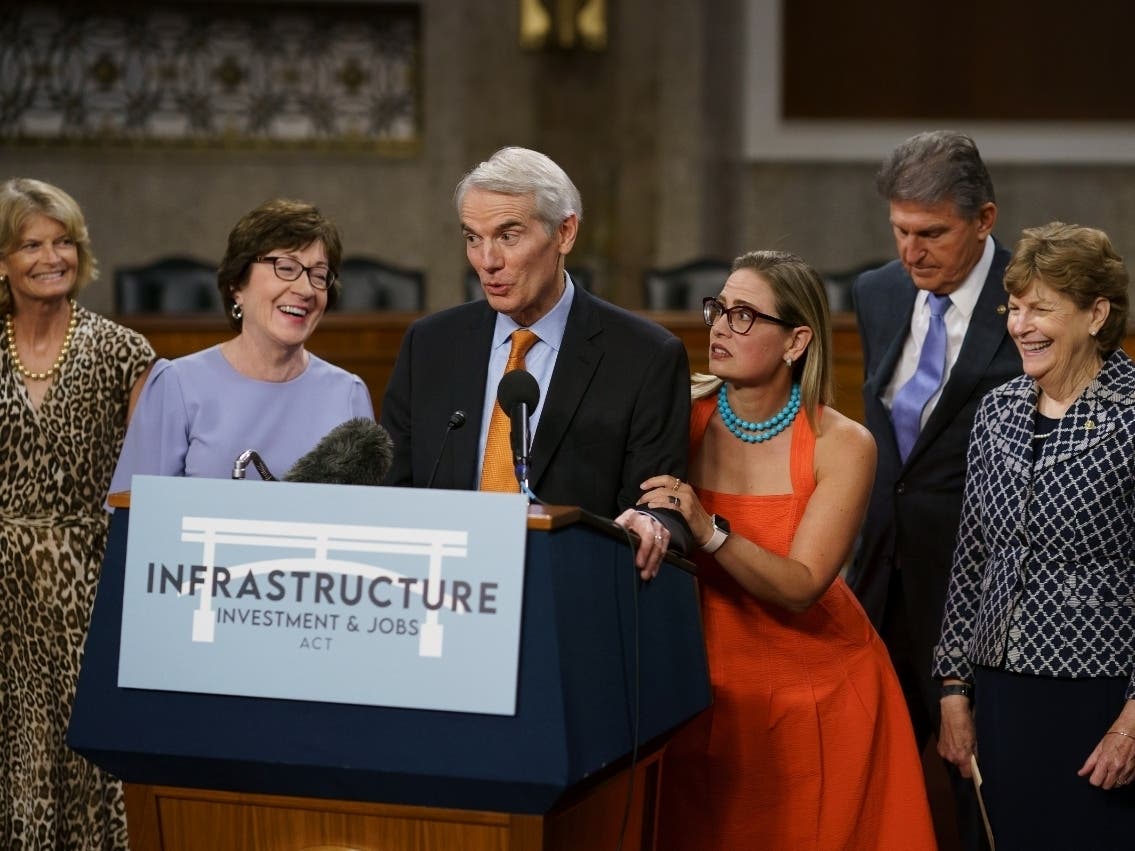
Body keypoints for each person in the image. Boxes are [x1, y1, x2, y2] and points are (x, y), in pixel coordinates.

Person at [632, 249, 936, 849]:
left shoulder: (843, 442)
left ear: (796, 341)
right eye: (719, 308)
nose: (720, 325)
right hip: (694, 690)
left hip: (816, 695)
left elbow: (801, 587)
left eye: (744, 315)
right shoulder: (677, 414)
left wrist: (709, 527)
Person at [380, 146, 691, 576]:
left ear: (564, 232)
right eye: (473, 237)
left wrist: (654, 522)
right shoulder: (430, 344)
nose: (487, 262)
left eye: (508, 235)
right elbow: (391, 490)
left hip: (572, 596)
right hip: (442, 592)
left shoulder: (644, 357)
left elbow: (657, 506)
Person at [845, 130, 1021, 847]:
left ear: (983, 220)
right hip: (879, 580)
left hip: (977, 591)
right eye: (898, 230)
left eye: (930, 233)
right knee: (864, 780)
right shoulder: (878, 291)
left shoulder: (1032, 301)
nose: (910, 251)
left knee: (978, 789)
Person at [933, 222, 1135, 848]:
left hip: (1100, 697)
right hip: (1000, 696)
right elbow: (972, 558)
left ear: (1096, 313)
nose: (1021, 325)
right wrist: (953, 689)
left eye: (1042, 308)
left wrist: (1133, 723)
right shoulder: (997, 409)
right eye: (1014, 308)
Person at [0, 178, 154, 849]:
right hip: (4, 585)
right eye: (31, 243)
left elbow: (150, 482)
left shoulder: (124, 352)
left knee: (89, 749)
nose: (50, 256)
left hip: (90, 580)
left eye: (63, 241)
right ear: (4, 260)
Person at [111, 198, 373, 490]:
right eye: (286, 268)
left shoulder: (348, 395)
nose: (305, 289)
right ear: (237, 284)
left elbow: (362, 524)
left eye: (319, 275)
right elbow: (135, 517)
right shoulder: (176, 386)